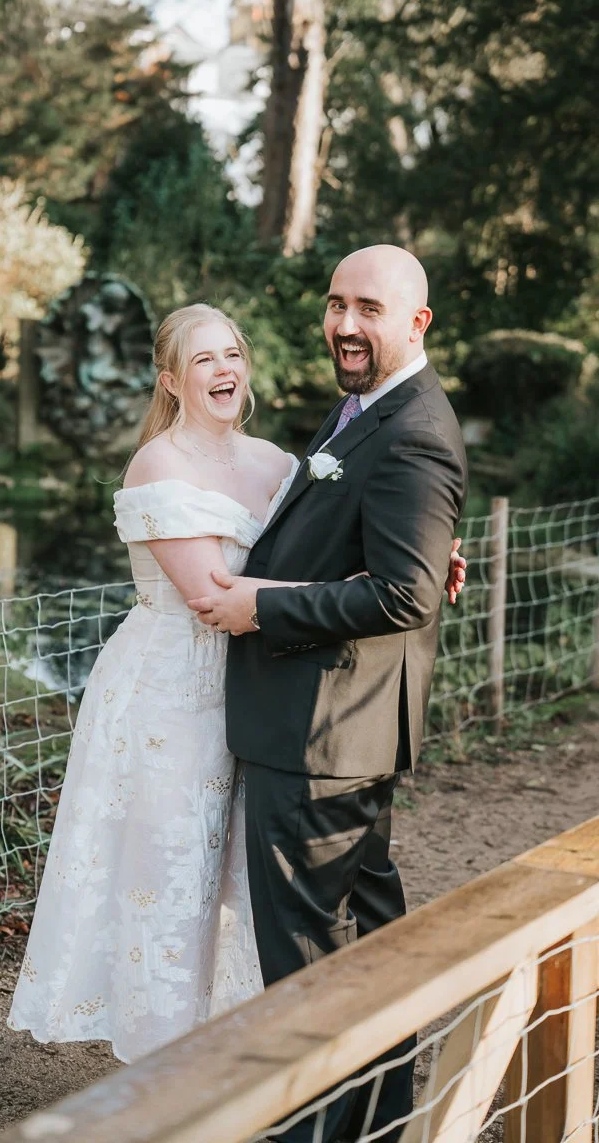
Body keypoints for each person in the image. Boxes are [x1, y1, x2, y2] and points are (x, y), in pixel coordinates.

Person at [8, 295, 465, 1067]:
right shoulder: (160, 464)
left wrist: (413, 563)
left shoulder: (283, 462)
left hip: (260, 694)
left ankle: (232, 1054)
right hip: (170, 698)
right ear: (171, 380)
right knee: (169, 878)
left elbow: (323, 546)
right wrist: (384, 584)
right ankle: (159, 1065)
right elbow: (214, 598)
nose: (224, 370)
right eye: (203, 360)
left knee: (240, 888)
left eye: (232, 355)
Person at [189, 245, 468, 1141]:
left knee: (306, 966)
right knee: (366, 946)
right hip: (338, 731)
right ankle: (379, 1123)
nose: (346, 324)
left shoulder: (413, 426)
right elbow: (393, 562)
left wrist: (258, 606)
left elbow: (403, 594)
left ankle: (315, 1132)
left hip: (319, 738)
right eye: (337, 304)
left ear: (416, 322)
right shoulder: (367, 409)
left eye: (370, 309)